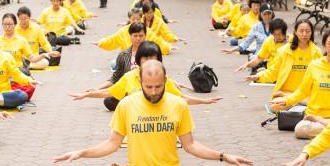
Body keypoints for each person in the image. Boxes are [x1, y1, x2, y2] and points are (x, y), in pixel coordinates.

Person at [55, 60, 252, 166]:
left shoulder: (178, 105)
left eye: (158, 86)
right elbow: (111, 144)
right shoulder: (126, 105)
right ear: (140, 81)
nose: (154, 91)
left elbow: (191, 145)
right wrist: (81, 153)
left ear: (165, 80)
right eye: (148, 87)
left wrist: (223, 156)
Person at [71, 41, 219, 110]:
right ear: (139, 60)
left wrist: (203, 101)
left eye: (153, 58)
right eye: (145, 58)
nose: (149, 62)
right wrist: (87, 94)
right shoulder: (130, 77)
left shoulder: (163, 78)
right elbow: (107, 92)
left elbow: (181, 99)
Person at [270, 30, 330, 139]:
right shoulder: (314, 66)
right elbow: (302, 91)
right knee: (300, 130)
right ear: (324, 45)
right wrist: (286, 100)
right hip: (314, 118)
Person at [248, 19, 321, 98]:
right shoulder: (284, 51)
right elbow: (274, 71)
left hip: (307, 94)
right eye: (301, 31)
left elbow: (321, 77)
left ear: (311, 33)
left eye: (307, 31)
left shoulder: (316, 52)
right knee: (277, 105)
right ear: (296, 32)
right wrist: (259, 76)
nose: (304, 34)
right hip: (286, 92)